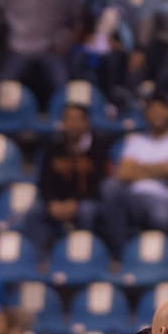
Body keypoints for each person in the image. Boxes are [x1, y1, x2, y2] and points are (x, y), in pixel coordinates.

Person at [99, 92, 168, 257]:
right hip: (134, 198)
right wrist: (159, 168)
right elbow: (122, 173)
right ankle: (120, 255)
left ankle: (165, 257)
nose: (156, 114)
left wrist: (138, 169)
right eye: (152, 110)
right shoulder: (136, 141)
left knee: (161, 216)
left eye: (161, 109)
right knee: (110, 187)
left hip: (165, 199)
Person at [32, 103, 108, 253]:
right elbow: (44, 182)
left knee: (87, 211)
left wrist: (75, 202)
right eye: (68, 119)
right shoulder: (52, 147)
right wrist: (52, 202)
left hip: (87, 200)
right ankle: (39, 257)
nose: (72, 124)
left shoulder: (98, 147)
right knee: (34, 212)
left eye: (77, 119)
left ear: (86, 123)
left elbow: (99, 184)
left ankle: (84, 254)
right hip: (58, 201)